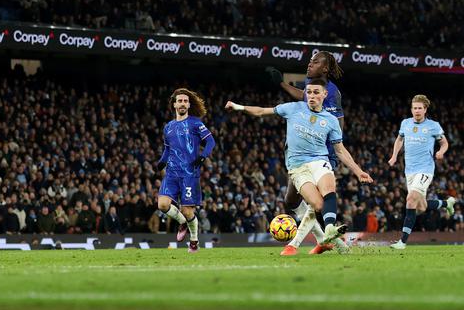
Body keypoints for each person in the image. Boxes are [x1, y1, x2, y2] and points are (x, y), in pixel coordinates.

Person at [226, 79, 373, 244]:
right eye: (308, 92)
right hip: (298, 166)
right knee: (318, 205)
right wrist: (238, 107)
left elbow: (340, 150)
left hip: (320, 161)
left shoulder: (331, 120)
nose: (311, 96)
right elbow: (261, 111)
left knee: (329, 189)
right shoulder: (293, 108)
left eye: (316, 92)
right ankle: (326, 236)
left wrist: (358, 171)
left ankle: (330, 228)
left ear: (325, 94)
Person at [266, 51, 349, 255]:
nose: (309, 65)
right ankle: (328, 240)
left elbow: (338, 122)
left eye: (315, 62)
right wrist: (283, 85)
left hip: (319, 155)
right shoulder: (313, 87)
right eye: (310, 61)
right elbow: (302, 97)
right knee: (292, 201)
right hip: (303, 155)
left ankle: (299, 244)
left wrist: (333, 152)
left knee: (313, 202)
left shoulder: (331, 90)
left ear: (325, 69)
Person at [388, 94, 455, 249]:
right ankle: (447, 203)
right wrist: (394, 156)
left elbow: (444, 143)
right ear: (411, 109)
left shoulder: (433, 126)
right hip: (409, 170)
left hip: (425, 168)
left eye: (420, 108)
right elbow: (399, 139)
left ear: (425, 110)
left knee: (410, 199)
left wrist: (441, 152)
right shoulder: (405, 123)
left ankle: (402, 242)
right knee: (421, 207)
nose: (417, 111)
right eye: (414, 108)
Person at [157, 88, 216, 253]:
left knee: (187, 211)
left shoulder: (196, 123)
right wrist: (161, 162)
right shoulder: (168, 127)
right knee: (162, 204)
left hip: (190, 173)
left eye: (185, 101)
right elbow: (167, 150)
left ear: (189, 105)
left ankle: (194, 241)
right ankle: (182, 222)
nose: (182, 103)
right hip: (172, 172)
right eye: (179, 101)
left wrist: (203, 156)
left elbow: (211, 142)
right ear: (174, 104)